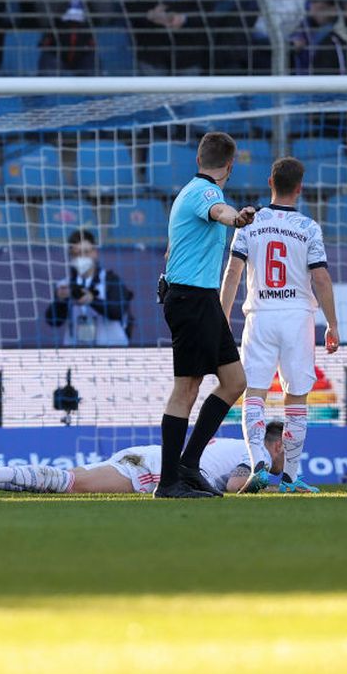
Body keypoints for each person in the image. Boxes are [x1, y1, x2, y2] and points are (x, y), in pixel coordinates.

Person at [219, 157, 340, 494]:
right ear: (300, 188)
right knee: (296, 397)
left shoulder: (249, 222)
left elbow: (233, 273)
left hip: (260, 314)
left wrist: (221, 317)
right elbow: (321, 279)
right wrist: (332, 324)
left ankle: (258, 459)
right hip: (297, 317)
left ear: (270, 181)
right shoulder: (308, 227)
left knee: (254, 391)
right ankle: (289, 475)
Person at [156, 131, 256, 498]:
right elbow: (221, 212)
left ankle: (188, 465)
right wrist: (238, 219)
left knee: (234, 381)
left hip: (200, 299)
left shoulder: (187, 193)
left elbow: (174, 249)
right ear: (229, 165)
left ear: (198, 159)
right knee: (187, 387)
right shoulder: (207, 192)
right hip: (191, 299)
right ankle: (168, 483)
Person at [0, 425, 283, 495]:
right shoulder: (257, 453)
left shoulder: (237, 442)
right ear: (278, 444)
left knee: (61, 481)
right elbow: (238, 483)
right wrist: (277, 488)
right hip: (152, 469)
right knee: (70, 484)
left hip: (149, 456)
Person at [45, 229, 131, 347]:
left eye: (86, 252)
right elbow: (54, 321)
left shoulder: (111, 280)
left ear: (95, 252)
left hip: (112, 348)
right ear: (71, 256)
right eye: (76, 254)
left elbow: (118, 311)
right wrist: (60, 301)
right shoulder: (64, 284)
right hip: (76, 350)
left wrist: (91, 300)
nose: (81, 257)